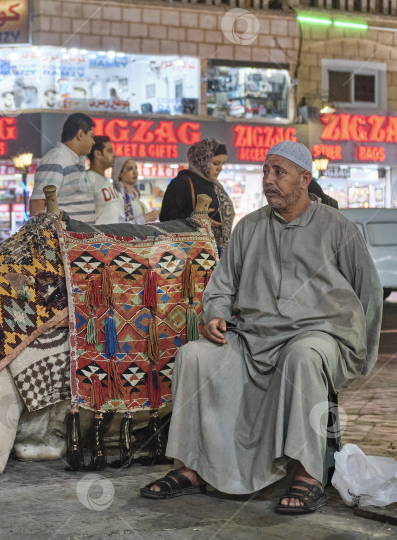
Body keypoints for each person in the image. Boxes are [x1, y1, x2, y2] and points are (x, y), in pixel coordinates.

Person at [140, 141, 383, 515]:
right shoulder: (249, 228)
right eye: (265, 171)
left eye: (278, 172)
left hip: (317, 336)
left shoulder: (338, 228)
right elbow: (221, 286)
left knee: (302, 355)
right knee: (196, 355)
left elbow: (370, 291)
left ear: (304, 179)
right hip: (253, 337)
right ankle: (193, 468)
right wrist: (216, 313)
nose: (268, 180)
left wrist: (357, 353)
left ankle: (309, 475)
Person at [159, 139, 235, 252]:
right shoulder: (182, 183)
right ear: (202, 160)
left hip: (216, 250)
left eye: (222, 164)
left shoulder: (215, 185)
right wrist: (196, 220)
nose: (220, 168)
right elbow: (166, 219)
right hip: (191, 253)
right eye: (215, 163)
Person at [30, 113, 96, 223]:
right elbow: (38, 202)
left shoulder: (75, 161)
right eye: (91, 136)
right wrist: (42, 238)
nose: (93, 142)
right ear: (80, 134)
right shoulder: (55, 160)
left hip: (77, 238)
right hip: (64, 239)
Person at [85, 135, 123, 225]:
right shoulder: (87, 179)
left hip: (112, 237)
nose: (114, 154)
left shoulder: (106, 181)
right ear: (98, 154)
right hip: (97, 237)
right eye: (109, 151)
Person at [114, 158, 159, 224]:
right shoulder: (117, 196)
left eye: (136, 168)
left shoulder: (134, 196)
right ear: (119, 173)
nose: (135, 172)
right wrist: (145, 218)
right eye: (130, 169)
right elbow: (119, 226)